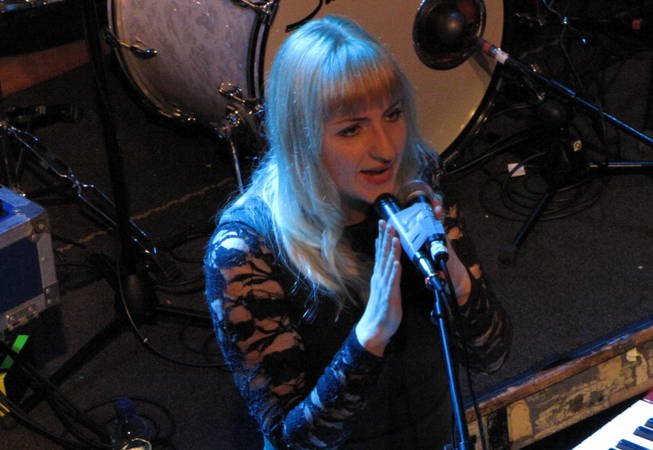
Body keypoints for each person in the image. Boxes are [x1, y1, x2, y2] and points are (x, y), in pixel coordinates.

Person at [204, 15, 511, 449]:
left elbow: (491, 357)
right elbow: (294, 442)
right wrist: (369, 338)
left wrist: (456, 278)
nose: (386, 149)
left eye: (393, 114)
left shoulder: (417, 178)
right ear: (302, 139)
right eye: (351, 129)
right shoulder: (245, 252)